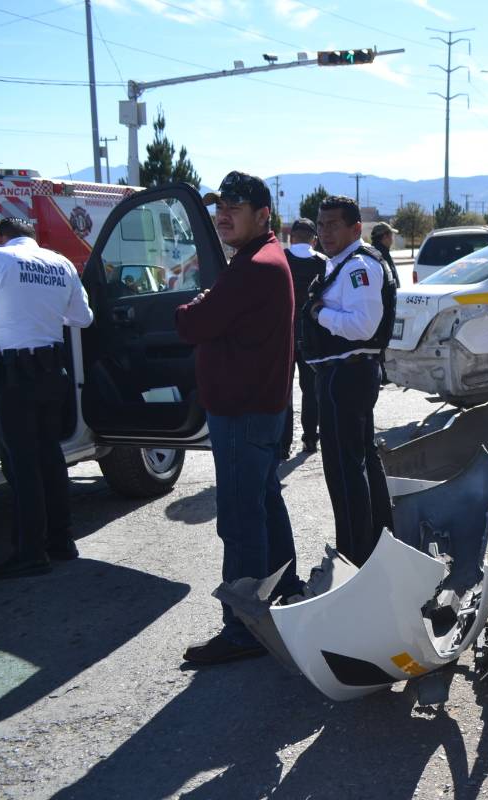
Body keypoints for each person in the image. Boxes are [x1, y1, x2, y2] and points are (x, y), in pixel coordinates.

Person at [175, 171, 301, 665]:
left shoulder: (254, 267)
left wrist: (194, 305)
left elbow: (194, 323)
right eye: (219, 205)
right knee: (265, 505)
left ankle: (245, 628)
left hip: (242, 412)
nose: (223, 214)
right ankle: (285, 592)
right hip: (256, 409)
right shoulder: (260, 259)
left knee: (241, 520)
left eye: (235, 206)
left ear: (263, 214)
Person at [0, 217, 93, 579]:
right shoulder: (60, 262)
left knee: (21, 464)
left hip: (13, 375)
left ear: (1, 237)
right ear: (32, 238)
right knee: (50, 456)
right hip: (52, 373)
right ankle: (62, 542)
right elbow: (83, 318)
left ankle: (31, 552)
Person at [301, 195, 396, 566]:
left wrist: (319, 312)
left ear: (356, 228)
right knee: (358, 464)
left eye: (333, 225)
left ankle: (357, 555)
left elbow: (362, 326)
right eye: (320, 225)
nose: (324, 232)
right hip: (342, 373)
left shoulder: (359, 267)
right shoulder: (341, 264)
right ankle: (375, 545)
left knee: (345, 471)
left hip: (347, 374)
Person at [279, 218, 326, 457]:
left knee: (284, 392)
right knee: (310, 390)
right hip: (312, 335)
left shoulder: (281, 260)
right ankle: (310, 439)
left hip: (283, 335)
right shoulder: (323, 263)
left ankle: (283, 444)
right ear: (314, 240)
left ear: (291, 237)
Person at [369, 222, 401, 287]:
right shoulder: (382, 255)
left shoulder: (372, 252)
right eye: (391, 236)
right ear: (385, 236)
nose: (392, 240)